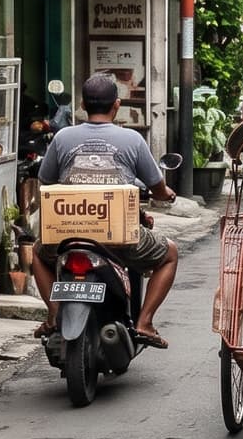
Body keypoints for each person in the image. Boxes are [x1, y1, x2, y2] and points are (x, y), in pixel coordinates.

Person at [32, 74, 179, 347]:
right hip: (119, 240)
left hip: (67, 237)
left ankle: (54, 314)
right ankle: (144, 323)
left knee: (37, 254)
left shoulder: (63, 137)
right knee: (170, 253)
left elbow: (47, 182)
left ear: (82, 104)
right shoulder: (132, 139)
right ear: (117, 105)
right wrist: (166, 194)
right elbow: (157, 187)